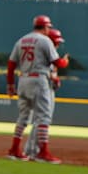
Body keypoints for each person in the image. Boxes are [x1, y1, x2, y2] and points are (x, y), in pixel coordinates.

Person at [7, 14, 67, 163]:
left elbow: (11, 64)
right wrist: (65, 62)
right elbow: (57, 62)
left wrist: (10, 84)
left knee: (23, 117)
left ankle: (14, 149)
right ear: (45, 27)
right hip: (39, 79)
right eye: (48, 27)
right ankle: (43, 152)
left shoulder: (21, 40)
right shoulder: (45, 40)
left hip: (23, 79)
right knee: (43, 117)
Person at [23, 27, 65, 160]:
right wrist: (55, 78)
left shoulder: (46, 53)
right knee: (42, 119)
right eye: (56, 42)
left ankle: (31, 150)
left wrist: (56, 80)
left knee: (40, 120)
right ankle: (34, 151)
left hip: (45, 88)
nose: (58, 44)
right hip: (43, 89)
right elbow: (49, 74)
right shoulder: (48, 55)